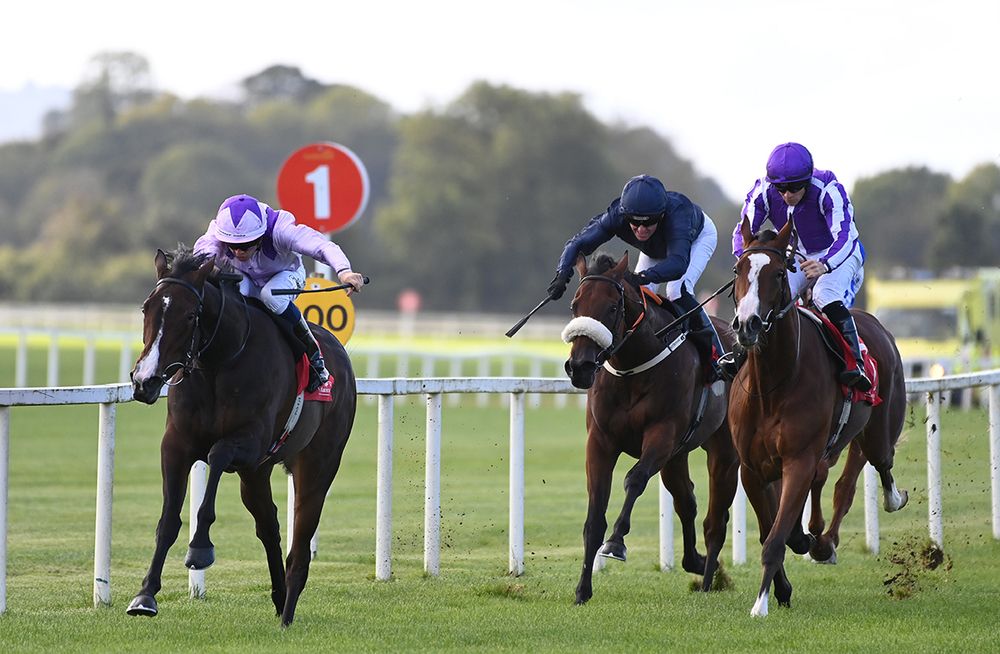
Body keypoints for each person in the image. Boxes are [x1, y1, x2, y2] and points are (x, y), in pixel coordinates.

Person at [548, 174, 729, 380]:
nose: (641, 229)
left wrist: (643, 276)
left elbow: (678, 264)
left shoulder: (678, 215)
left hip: (697, 238)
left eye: (649, 223)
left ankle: (718, 355)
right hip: (655, 247)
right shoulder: (617, 215)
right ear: (626, 216)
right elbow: (578, 243)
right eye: (635, 223)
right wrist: (562, 274)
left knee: (677, 289)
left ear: (661, 216)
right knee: (638, 296)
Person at [731, 142, 871, 390]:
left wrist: (825, 265)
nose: (787, 194)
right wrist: (744, 261)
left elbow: (845, 236)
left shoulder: (828, 190)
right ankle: (741, 356)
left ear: (807, 179)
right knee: (773, 292)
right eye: (781, 188)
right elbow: (742, 231)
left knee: (822, 295)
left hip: (840, 255)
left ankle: (855, 360)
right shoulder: (763, 191)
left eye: (794, 187)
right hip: (799, 255)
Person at [194, 194, 366, 392]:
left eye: (245, 245)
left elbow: (322, 246)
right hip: (245, 277)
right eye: (232, 246)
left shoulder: (280, 229)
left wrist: (344, 272)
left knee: (271, 296)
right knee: (231, 296)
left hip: (286, 274)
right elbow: (202, 257)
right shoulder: (217, 232)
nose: (239, 252)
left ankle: (313, 353)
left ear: (260, 236)